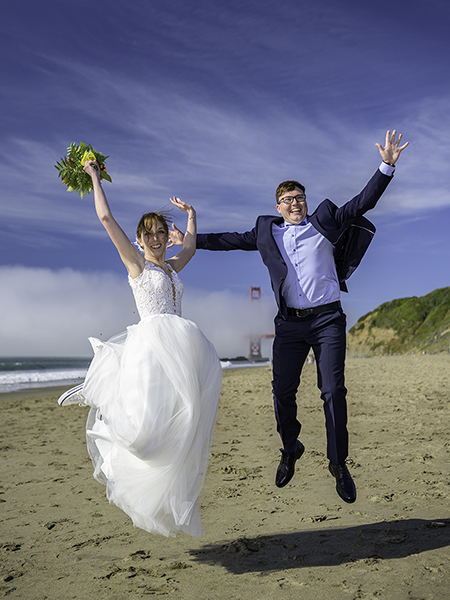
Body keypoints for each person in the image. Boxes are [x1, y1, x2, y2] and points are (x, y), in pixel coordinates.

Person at [169, 130, 409, 504]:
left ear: (305, 201)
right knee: (282, 391)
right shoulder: (268, 232)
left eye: (299, 197)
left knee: (332, 391)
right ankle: (290, 446)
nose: (294, 203)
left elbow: (363, 202)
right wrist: (188, 239)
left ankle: (338, 463)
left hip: (328, 320)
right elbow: (229, 241)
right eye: (286, 199)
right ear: (278, 206)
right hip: (290, 324)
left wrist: (386, 165)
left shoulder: (325, 221)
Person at [58, 160, 222, 537]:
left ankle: (102, 389)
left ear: (167, 236)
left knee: (184, 422)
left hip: (180, 351)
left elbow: (192, 245)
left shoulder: (173, 268)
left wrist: (193, 216)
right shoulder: (137, 266)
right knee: (142, 438)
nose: (155, 238)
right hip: (150, 349)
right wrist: (94, 177)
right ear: (139, 240)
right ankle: (100, 392)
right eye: (148, 233)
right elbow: (105, 219)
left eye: (160, 232)